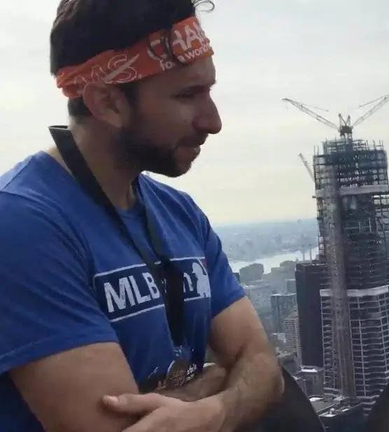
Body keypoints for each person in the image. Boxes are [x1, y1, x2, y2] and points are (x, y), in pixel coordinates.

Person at [0, 0, 284, 430]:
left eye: (208, 91)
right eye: (187, 95)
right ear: (108, 103)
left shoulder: (179, 213)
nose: (213, 121)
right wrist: (215, 381)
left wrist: (212, 413)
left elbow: (262, 365)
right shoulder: (23, 224)